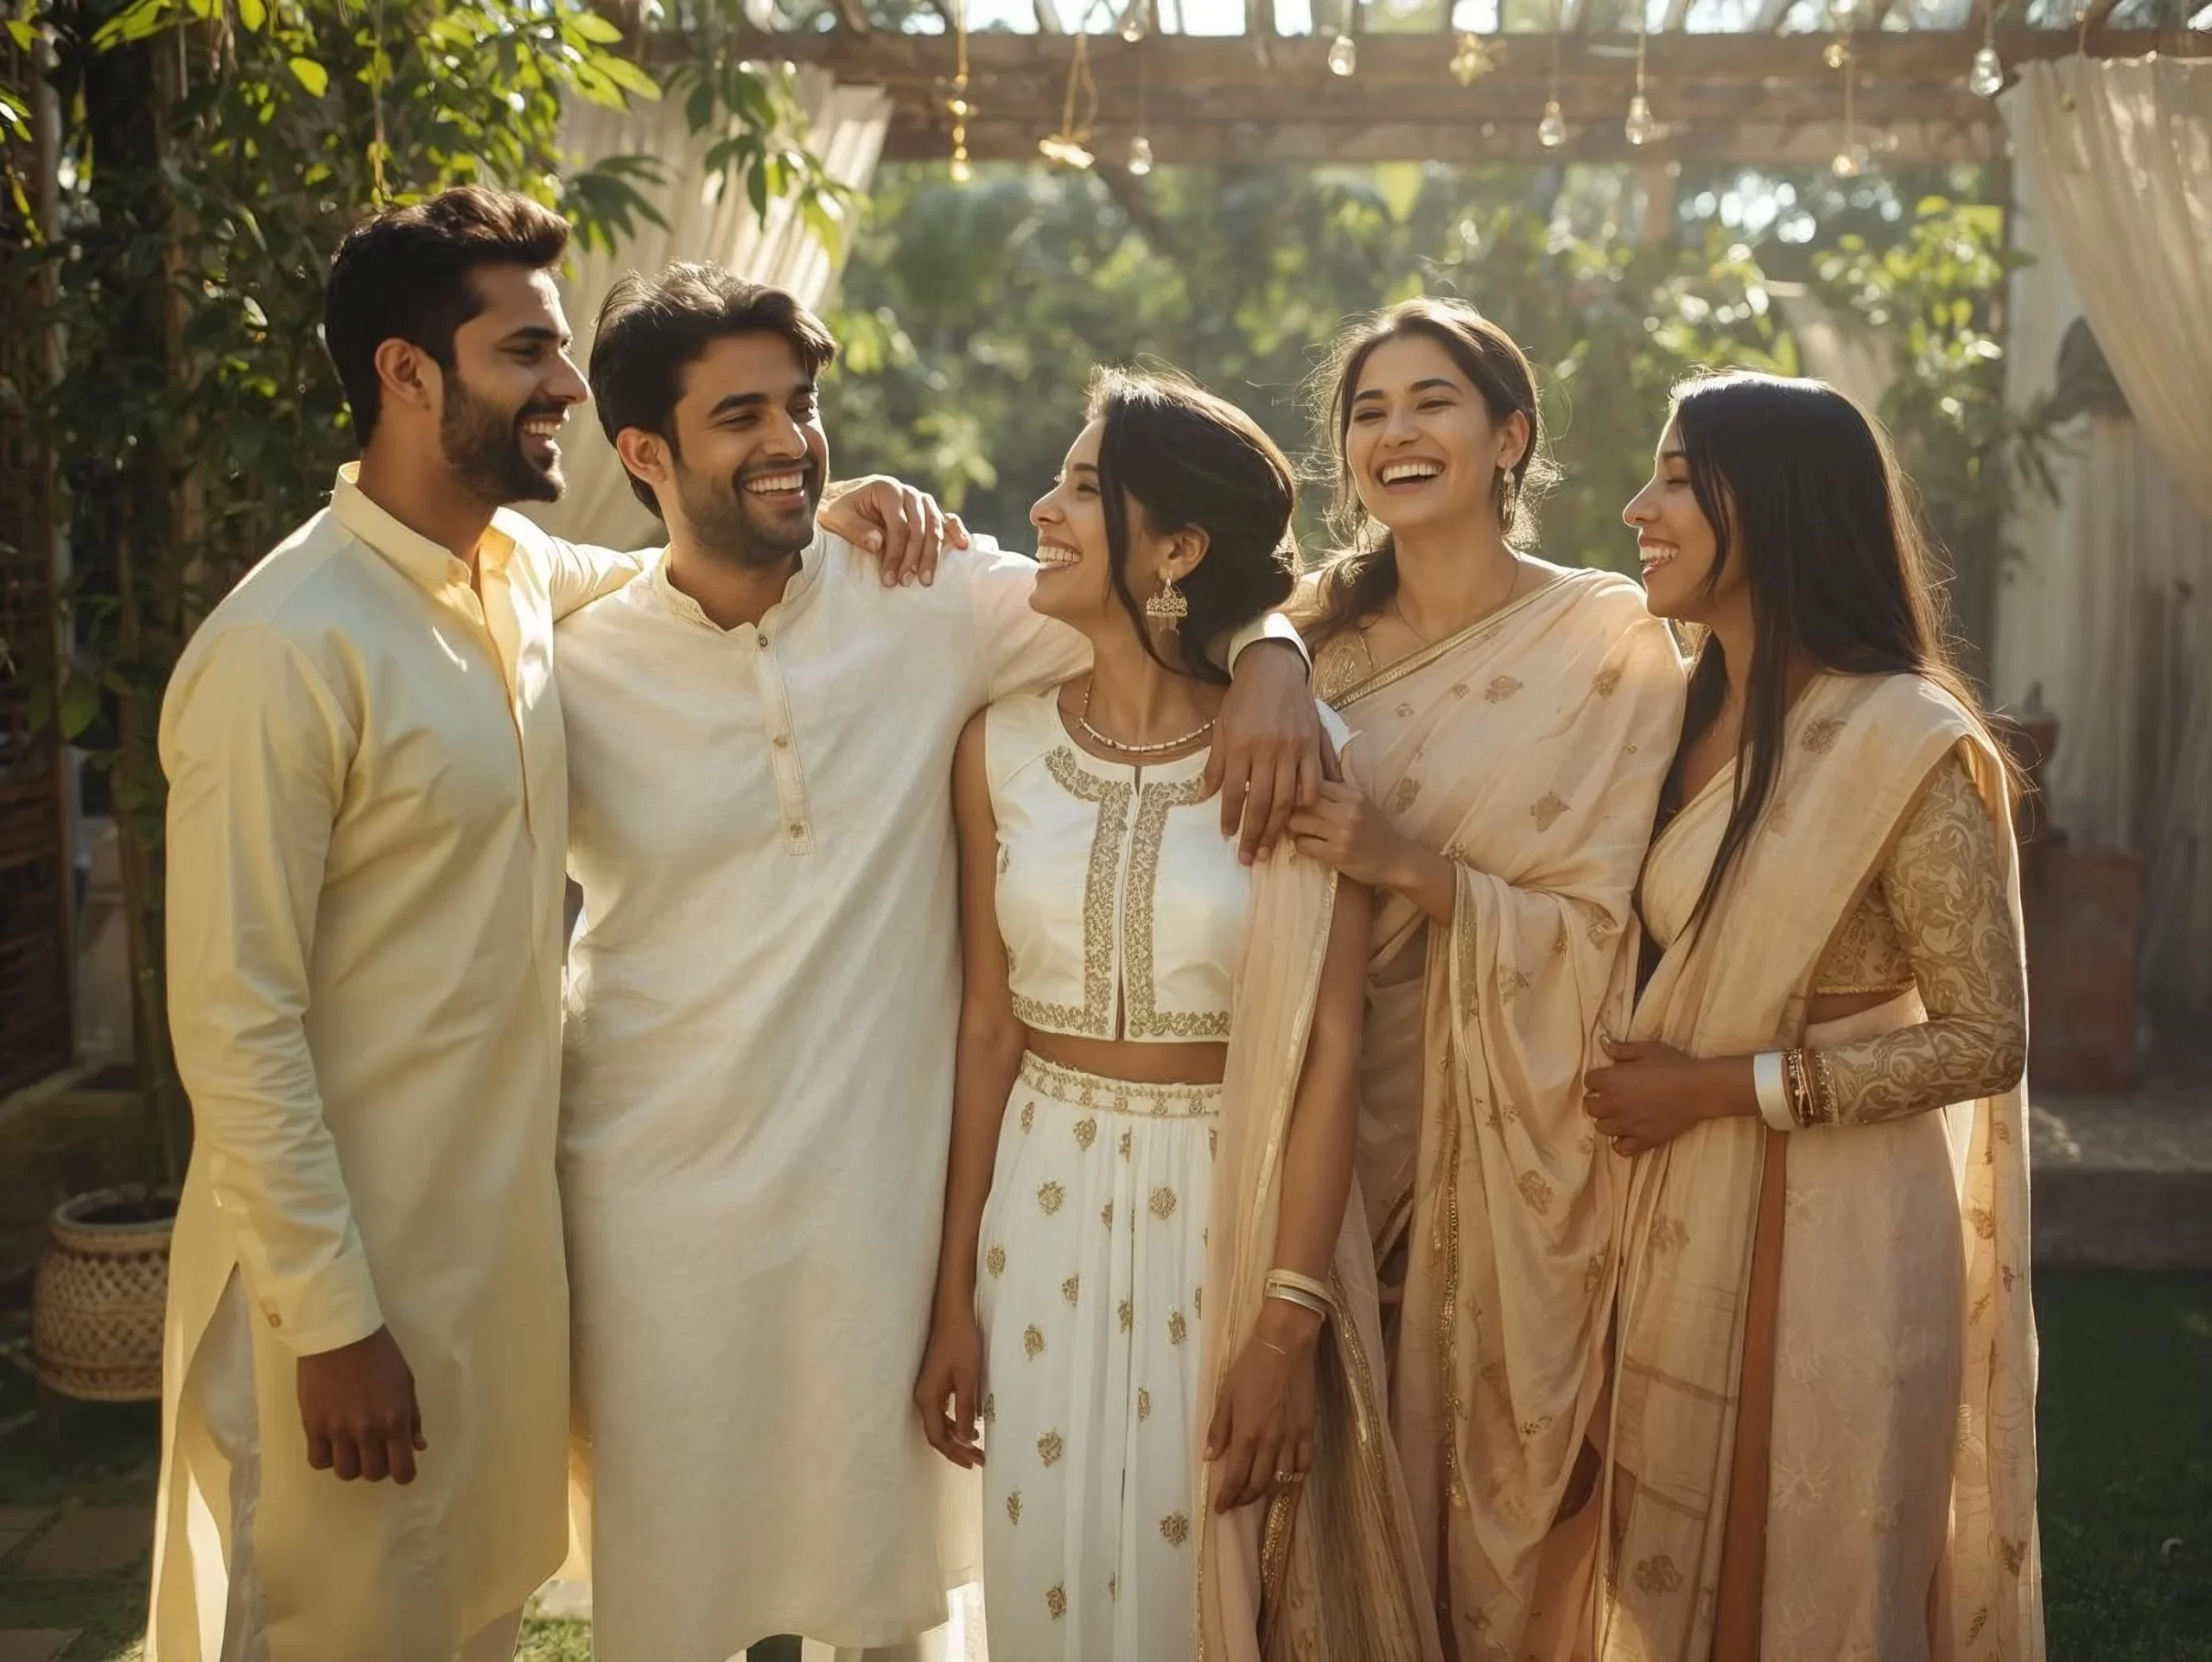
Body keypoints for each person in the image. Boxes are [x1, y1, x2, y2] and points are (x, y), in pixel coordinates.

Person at [551, 265, 1325, 1662]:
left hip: (884, 1200)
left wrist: (1276, 655)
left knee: (893, 1602)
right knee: (681, 1601)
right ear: (644, 455)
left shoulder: (930, 597)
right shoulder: (571, 665)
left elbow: (1186, 585)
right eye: (744, 416)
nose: (792, 439)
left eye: (802, 404)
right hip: (652, 1201)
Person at [149, 187, 645, 1662]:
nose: (567, 384)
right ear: (406, 373)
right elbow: (231, 1022)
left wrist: (853, 512)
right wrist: (330, 1322)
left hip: (489, 1273)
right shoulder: (283, 647)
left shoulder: (522, 582)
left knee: (466, 1619)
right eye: (528, 353)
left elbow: (689, 588)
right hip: (343, 1304)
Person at [912, 368, 1440, 1660]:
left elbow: (1327, 1053)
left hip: (1228, 1199)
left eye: (1086, 487)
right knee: (1046, 1568)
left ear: (1177, 549)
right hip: (1036, 1204)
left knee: (1197, 1585)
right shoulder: (998, 746)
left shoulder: (1297, 751)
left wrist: (1288, 1320)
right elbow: (988, 1031)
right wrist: (949, 1301)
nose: (1043, 506)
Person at [1586, 371, 2041, 1661]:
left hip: (1839, 1227)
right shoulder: (1671, 713)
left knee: (1812, 1585)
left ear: (1774, 505)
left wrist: (1728, 1088)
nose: (1638, 507)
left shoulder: (1903, 737)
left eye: (1676, 477)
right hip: (1670, 1206)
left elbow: (1985, 1035)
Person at [1288, 297, 1685, 1658]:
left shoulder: (1609, 640)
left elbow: (1617, 927)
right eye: (1369, 410)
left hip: (1523, 1120)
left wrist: (1412, 867)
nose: (1396, 432)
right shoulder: (1302, 644)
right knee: (1327, 1458)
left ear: (1510, 436)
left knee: (1504, 1472)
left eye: (1432, 401)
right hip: (1318, 1106)